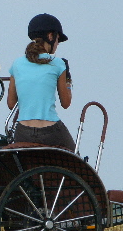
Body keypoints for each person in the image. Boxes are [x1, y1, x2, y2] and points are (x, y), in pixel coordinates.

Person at [7, 13, 75, 150]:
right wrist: (68, 81)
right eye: (58, 40)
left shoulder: (17, 64)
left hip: (23, 132)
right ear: (50, 36)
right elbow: (66, 103)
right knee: (74, 156)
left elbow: (11, 103)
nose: (57, 44)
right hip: (50, 130)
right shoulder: (58, 64)